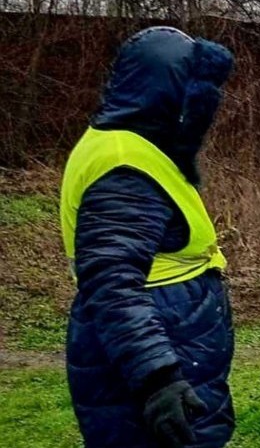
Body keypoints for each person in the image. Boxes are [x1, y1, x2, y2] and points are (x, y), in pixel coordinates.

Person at [59, 27, 236, 447]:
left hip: (169, 337)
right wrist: (158, 377)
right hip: (159, 348)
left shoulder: (137, 144)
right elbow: (112, 280)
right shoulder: (125, 166)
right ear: (169, 93)